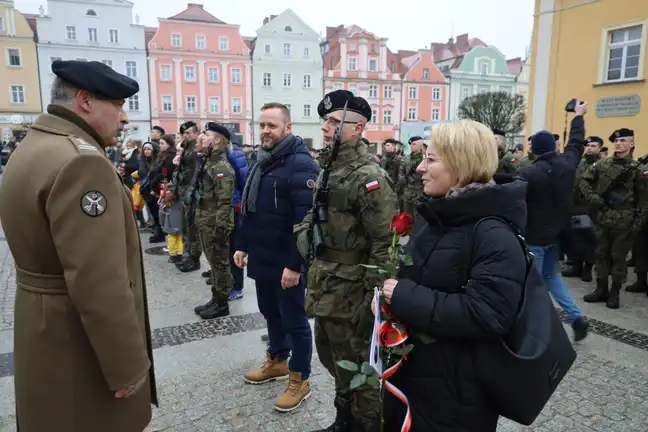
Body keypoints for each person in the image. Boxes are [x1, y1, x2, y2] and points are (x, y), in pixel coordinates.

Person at [0, 60, 157, 431]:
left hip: (42, 328)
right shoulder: (81, 163)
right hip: (78, 345)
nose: (124, 117)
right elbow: (98, 281)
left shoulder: (34, 145)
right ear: (85, 100)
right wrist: (127, 365)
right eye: (117, 105)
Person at [377, 119, 527, 431]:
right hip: (419, 375)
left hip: (457, 393)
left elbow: (488, 314)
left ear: (460, 166)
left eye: (430, 159)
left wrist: (404, 296)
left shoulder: (493, 233)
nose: (420, 168)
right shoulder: (437, 214)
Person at [295, 90, 398, 432]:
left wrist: (374, 298)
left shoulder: (368, 177)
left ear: (359, 128)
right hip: (326, 282)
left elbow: (385, 241)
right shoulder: (330, 168)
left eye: (336, 122)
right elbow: (316, 215)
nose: (326, 127)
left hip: (353, 289)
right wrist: (304, 233)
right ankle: (345, 419)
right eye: (326, 121)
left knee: (359, 366)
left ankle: (368, 425)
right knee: (330, 355)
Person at [235, 102, 319, 412]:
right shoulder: (262, 161)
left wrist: (295, 265)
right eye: (263, 125)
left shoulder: (301, 164)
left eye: (272, 125)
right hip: (262, 256)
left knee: (295, 320)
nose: (266, 131)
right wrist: (242, 245)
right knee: (270, 312)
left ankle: (300, 377)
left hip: (287, 262)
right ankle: (278, 359)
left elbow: (306, 221)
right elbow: (250, 210)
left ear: (288, 127)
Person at [516, 101, 589, 340]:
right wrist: (578, 116)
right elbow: (577, 143)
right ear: (554, 147)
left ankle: (533, 330)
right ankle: (576, 316)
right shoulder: (567, 164)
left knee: (532, 284)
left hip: (534, 237)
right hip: (558, 235)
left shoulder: (528, 173)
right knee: (551, 277)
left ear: (534, 151)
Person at [579, 128, 648, 308]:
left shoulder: (638, 170)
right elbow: (584, 180)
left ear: (632, 144)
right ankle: (601, 289)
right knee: (600, 255)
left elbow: (643, 200)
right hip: (603, 217)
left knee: (619, 258)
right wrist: (592, 197)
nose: (619, 144)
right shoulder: (603, 165)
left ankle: (614, 293)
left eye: (623, 141)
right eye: (617, 141)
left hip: (625, 221)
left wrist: (638, 224)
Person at [193, 123, 236, 319]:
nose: (201, 137)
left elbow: (225, 202)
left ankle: (222, 303)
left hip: (215, 224)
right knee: (213, 263)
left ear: (217, 140)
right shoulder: (209, 162)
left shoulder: (221, 167)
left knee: (219, 264)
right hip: (206, 221)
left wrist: (220, 228)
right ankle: (215, 298)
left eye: (206, 134)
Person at [562, 136, 603, 282]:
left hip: (592, 207)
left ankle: (587, 268)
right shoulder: (579, 162)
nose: (590, 148)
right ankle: (576, 265)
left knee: (591, 238)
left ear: (600, 148)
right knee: (576, 236)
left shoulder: (603, 164)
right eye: (588, 145)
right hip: (575, 206)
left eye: (593, 145)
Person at [172, 121, 203, 272]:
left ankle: (194, 259)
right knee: (185, 227)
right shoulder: (186, 148)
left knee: (192, 229)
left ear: (196, 133)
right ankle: (188, 255)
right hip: (183, 191)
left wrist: (190, 193)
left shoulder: (196, 150)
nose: (186, 135)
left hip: (191, 194)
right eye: (183, 133)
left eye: (189, 133)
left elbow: (195, 174)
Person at [398, 135, 425, 218]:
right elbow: (401, 171)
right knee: (407, 217)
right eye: (411, 144)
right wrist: (403, 179)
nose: (411, 146)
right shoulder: (406, 159)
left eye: (414, 144)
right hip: (407, 193)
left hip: (420, 193)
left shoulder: (424, 159)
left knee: (419, 217)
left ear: (421, 146)